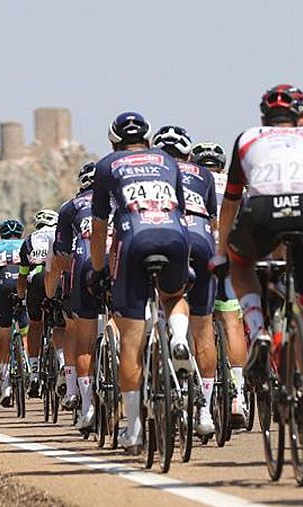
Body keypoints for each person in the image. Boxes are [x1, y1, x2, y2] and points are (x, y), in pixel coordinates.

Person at [214, 84, 303, 457]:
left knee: (240, 262)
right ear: (302, 117)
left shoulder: (248, 139)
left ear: (263, 118)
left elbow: (231, 201)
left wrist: (222, 252)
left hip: (262, 213)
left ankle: (256, 329)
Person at [89, 111, 190, 453]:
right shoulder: (166, 159)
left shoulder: (108, 166)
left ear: (114, 141)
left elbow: (100, 225)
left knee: (131, 340)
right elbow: (182, 210)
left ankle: (133, 430)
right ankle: (177, 337)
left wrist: (99, 270)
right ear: (147, 139)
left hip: (134, 240)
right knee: (175, 296)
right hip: (176, 236)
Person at [153, 125, 218, 437]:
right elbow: (214, 220)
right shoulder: (203, 174)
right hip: (203, 239)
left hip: (167, 237)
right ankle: (205, 413)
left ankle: (175, 338)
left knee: (166, 297)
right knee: (204, 328)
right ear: (189, 154)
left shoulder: (155, 172)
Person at [191, 142, 250, 428]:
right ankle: (238, 395)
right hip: (228, 256)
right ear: (223, 165)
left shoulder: (191, 179)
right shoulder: (235, 184)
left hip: (196, 253)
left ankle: (202, 397)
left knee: (198, 325)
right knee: (231, 323)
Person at [47, 162, 100, 418]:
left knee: (82, 339)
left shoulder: (70, 207)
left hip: (82, 267)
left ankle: (86, 406)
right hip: (118, 263)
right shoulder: (118, 197)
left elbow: (62, 257)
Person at [18, 209, 60, 399]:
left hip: (35, 278)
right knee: (63, 325)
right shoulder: (61, 233)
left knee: (35, 324)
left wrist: (20, 297)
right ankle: (62, 363)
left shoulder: (29, 240)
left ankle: (34, 374)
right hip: (57, 277)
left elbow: (22, 274)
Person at [0, 219, 28, 408]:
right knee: (28, 330)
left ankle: (5, 385)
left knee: (4, 337)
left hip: (3, 289)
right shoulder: (26, 244)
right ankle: (30, 368)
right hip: (24, 287)